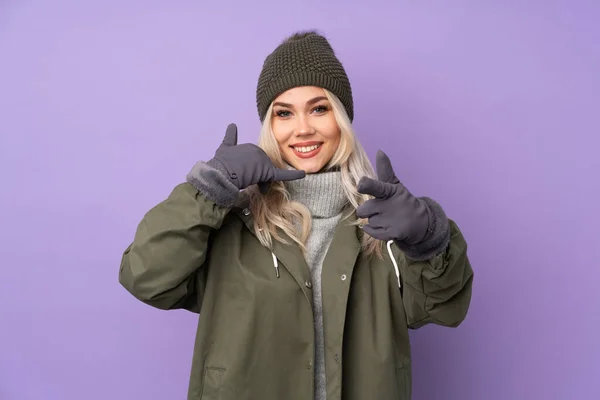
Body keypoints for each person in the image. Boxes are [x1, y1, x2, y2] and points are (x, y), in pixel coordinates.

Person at [119, 30, 474, 400]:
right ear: (269, 127)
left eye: (319, 108)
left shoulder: (385, 225)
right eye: (284, 113)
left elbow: (445, 309)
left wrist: (430, 238)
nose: (303, 128)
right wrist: (208, 188)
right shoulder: (230, 223)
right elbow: (145, 278)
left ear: (341, 119)